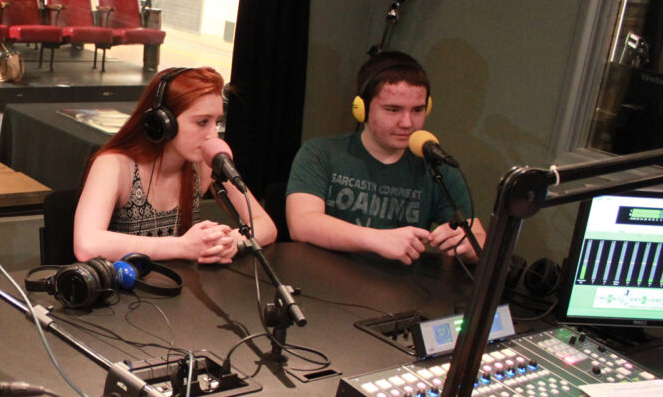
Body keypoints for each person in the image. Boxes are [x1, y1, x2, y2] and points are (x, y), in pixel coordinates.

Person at [286, 51, 486, 264]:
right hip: (324, 281)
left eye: (417, 110)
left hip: (400, 289)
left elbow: (479, 241)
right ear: (361, 109)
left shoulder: (438, 166)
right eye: (393, 110)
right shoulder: (320, 153)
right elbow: (302, 223)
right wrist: (378, 239)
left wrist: (469, 245)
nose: (407, 122)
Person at [74, 66, 277, 263]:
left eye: (216, 122)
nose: (212, 135)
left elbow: (265, 225)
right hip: (124, 292)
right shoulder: (114, 165)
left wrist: (230, 242)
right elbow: (87, 245)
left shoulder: (203, 164)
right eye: (202, 122)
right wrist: (183, 247)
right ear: (163, 122)